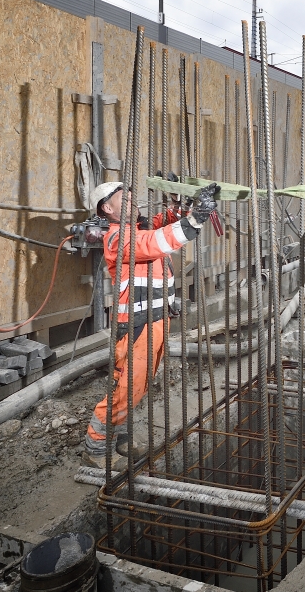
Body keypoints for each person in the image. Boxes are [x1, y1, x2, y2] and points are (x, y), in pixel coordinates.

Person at [82, 180, 217, 471]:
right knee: (126, 387)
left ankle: (120, 439)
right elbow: (156, 241)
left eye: (133, 196)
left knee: (140, 386)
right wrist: (194, 220)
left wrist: (181, 207)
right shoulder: (117, 238)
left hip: (157, 320)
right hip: (136, 325)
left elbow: (160, 224)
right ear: (107, 208)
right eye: (124, 198)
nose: (133, 201)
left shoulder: (137, 230)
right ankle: (94, 450)